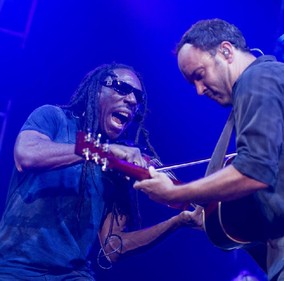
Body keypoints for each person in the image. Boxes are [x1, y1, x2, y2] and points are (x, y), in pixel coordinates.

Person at [134, 19, 284, 280]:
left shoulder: (257, 79)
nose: (199, 90)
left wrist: (176, 192)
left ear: (226, 51)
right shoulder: (279, 79)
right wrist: (215, 218)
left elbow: (254, 171)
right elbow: (283, 179)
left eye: (200, 75)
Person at [0, 62, 202, 280]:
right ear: (97, 90)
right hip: (15, 268)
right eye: (123, 89)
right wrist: (103, 150)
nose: (132, 101)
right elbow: (26, 156)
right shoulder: (53, 117)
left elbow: (112, 247)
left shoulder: (116, 166)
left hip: (73, 274)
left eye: (138, 98)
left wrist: (178, 221)